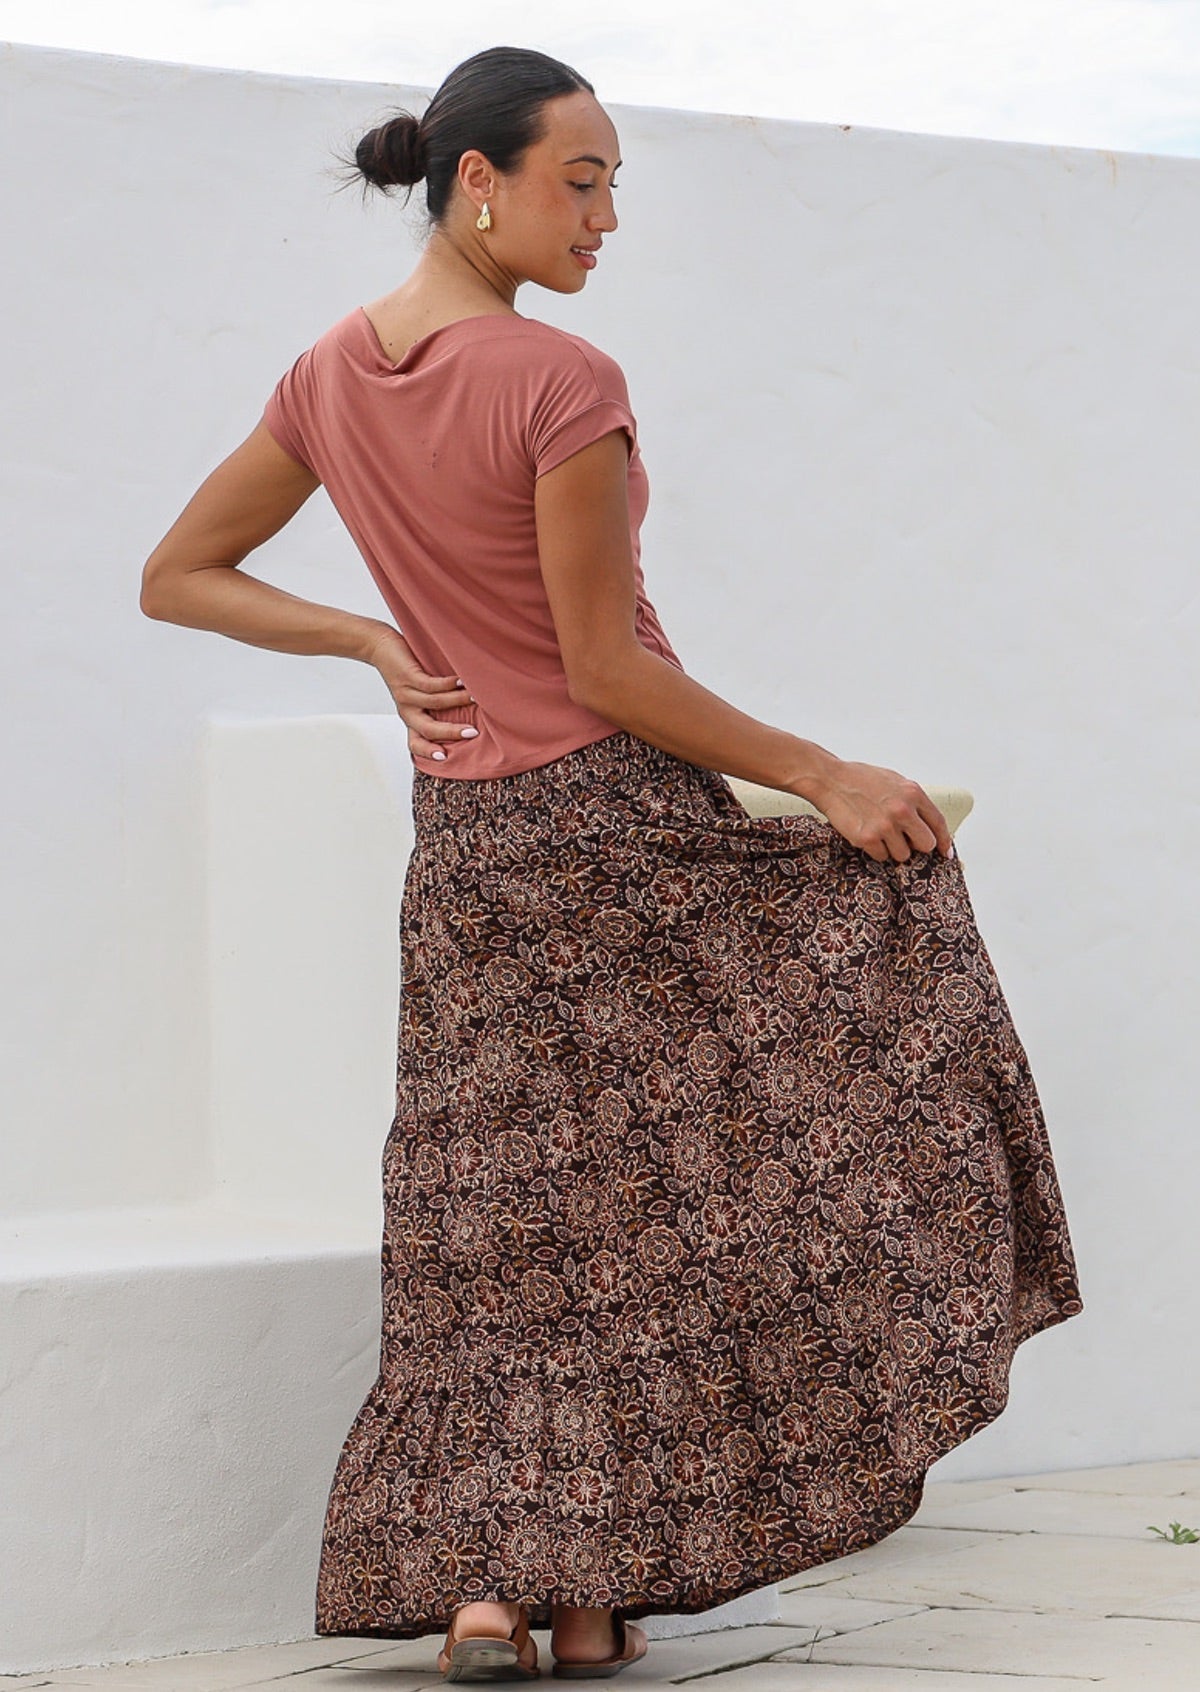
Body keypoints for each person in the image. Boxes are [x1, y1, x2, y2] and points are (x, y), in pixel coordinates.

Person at [140, 44, 1084, 1685]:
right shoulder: (560, 379)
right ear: (477, 181)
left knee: (499, 1218)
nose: (608, 216)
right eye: (582, 181)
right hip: (614, 828)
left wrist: (372, 637)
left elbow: (182, 574)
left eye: (618, 183)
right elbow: (605, 670)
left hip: (471, 852)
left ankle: (512, 1588)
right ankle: (579, 1592)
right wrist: (824, 771)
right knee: (678, 1201)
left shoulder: (326, 376)